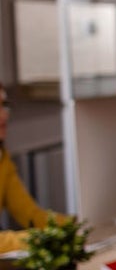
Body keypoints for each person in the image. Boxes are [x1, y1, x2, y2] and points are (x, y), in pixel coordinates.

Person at [0, 82, 69, 253]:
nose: (4, 115)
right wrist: (45, 237)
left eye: (4, 105)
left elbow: (30, 215)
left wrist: (74, 226)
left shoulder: (2, 157)